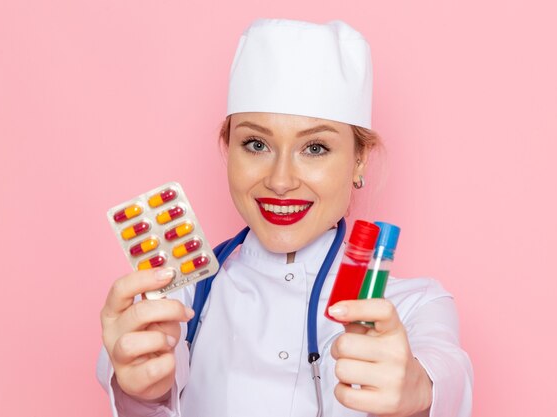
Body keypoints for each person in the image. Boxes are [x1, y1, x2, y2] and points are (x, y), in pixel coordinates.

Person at [97, 18, 473, 417]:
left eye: (314, 148)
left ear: (359, 160)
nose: (280, 181)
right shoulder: (178, 300)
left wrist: (418, 389)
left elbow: (447, 369)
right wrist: (142, 392)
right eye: (256, 144)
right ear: (229, 149)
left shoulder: (413, 305)